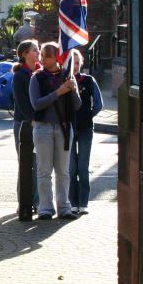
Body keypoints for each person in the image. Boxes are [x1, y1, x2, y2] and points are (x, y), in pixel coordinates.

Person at [29, 41, 81, 220]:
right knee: (44, 170)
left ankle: (64, 206)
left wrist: (72, 90)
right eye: (42, 55)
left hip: (64, 127)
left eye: (46, 56)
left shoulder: (67, 76)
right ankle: (45, 207)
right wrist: (58, 92)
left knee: (63, 171)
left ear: (56, 57)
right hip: (43, 127)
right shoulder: (37, 78)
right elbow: (36, 104)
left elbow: (77, 105)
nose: (42, 59)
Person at [67, 50, 103, 216]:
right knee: (71, 168)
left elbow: (98, 104)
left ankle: (83, 203)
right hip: (68, 128)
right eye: (70, 62)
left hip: (85, 128)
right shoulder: (64, 81)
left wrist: (88, 115)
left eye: (76, 62)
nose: (73, 66)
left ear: (80, 63)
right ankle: (72, 202)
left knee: (83, 166)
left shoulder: (88, 80)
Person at [12, 39, 41, 221]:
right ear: (24, 54)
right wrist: (33, 119)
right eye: (35, 50)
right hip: (24, 124)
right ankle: (23, 202)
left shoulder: (39, 73)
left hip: (39, 124)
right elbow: (22, 103)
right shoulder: (20, 75)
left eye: (38, 50)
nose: (38, 53)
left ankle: (37, 202)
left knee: (38, 164)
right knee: (25, 164)